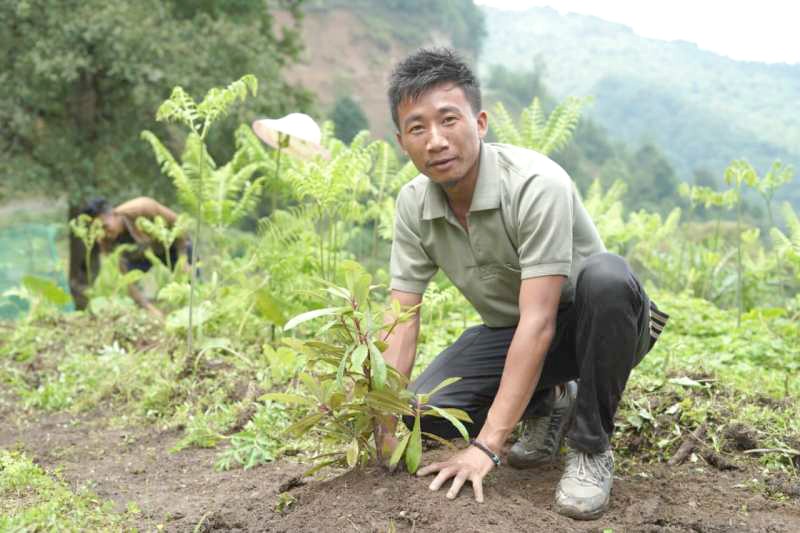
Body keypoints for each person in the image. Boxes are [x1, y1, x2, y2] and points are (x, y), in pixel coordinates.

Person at [379, 48, 668, 520]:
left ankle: (591, 447)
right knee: (423, 413)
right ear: (401, 139)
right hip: (513, 333)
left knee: (608, 277)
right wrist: (385, 420)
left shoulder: (536, 184)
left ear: (480, 122)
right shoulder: (413, 203)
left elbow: (540, 321)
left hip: (600, 326)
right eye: (417, 128)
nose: (435, 141)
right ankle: (550, 401)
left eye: (448, 120)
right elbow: (401, 318)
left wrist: (486, 447)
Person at [72, 196, 191, 318]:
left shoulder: (142, 207)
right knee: (130, 277)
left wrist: (183, 258)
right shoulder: (105, 240)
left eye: (105, 226)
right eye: (98, 229)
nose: (104, 233)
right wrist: (149, 308)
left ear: (113, 214)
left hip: (173, 245)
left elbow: (179, 224)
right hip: (144, 255)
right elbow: (126, 279)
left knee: (190, 280)